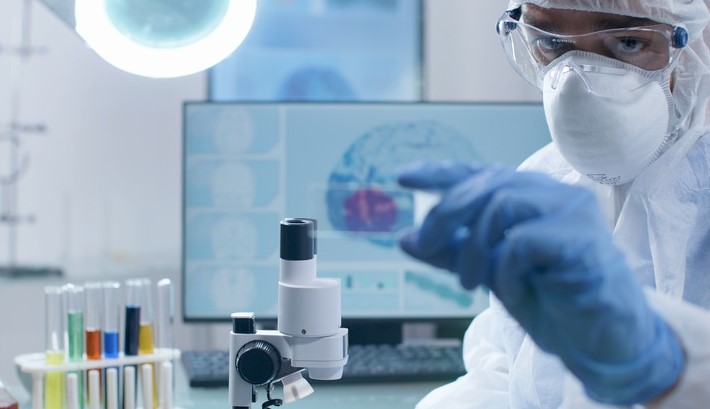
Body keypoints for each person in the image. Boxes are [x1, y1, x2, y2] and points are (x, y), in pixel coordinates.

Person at [398, 1, 710, 408]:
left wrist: (671, 372)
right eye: (550, 41)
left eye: (629, 42)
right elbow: (509, 372)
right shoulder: (546, 180)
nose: (576, 83)